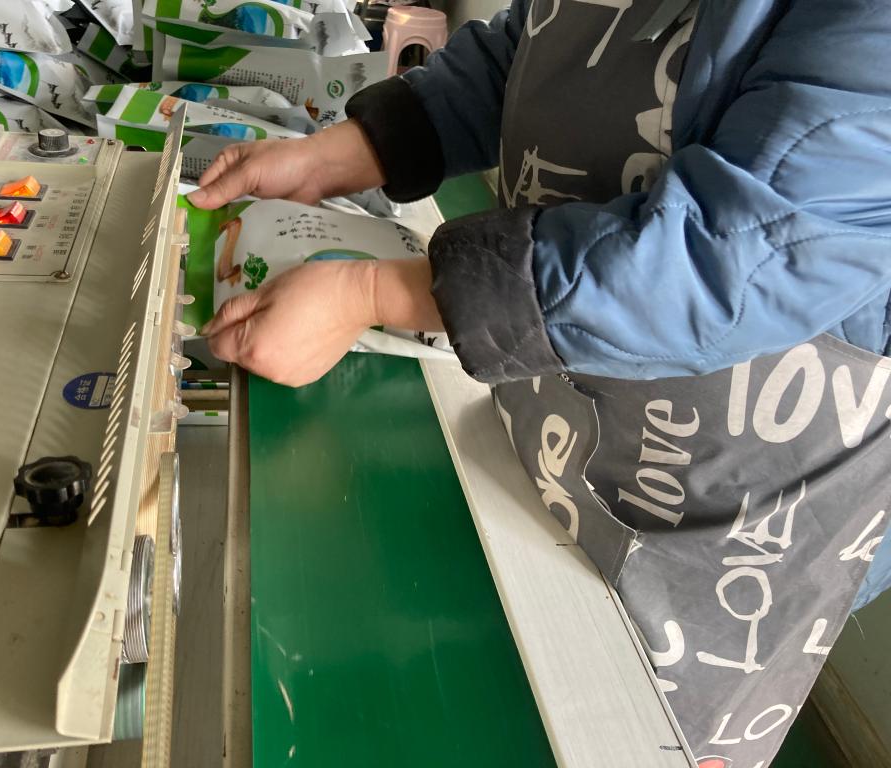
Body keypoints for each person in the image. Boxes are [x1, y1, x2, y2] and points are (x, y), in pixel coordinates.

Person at [188, 1, 891, 764]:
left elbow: (730, 258)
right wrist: (336, 155)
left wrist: (369, 293)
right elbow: (536, 51)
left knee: (617, 729)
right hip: (553, 403)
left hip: (724, 504)